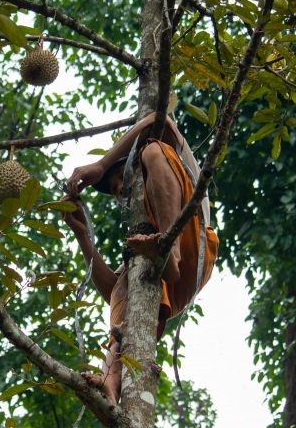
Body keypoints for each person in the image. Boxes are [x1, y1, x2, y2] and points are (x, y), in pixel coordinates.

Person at [62, 108, 219, 408]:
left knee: (153, 150)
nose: (119, 188)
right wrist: (83, 236)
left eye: (120, 178)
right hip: (173, 286)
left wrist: (102, 163)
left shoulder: (164, 154)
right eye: (114, 189)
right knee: (128, 284)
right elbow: (113, 293)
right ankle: (111, 383)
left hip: (193, 245)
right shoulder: (143, 234)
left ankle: (168, 252)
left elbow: (159, 121)